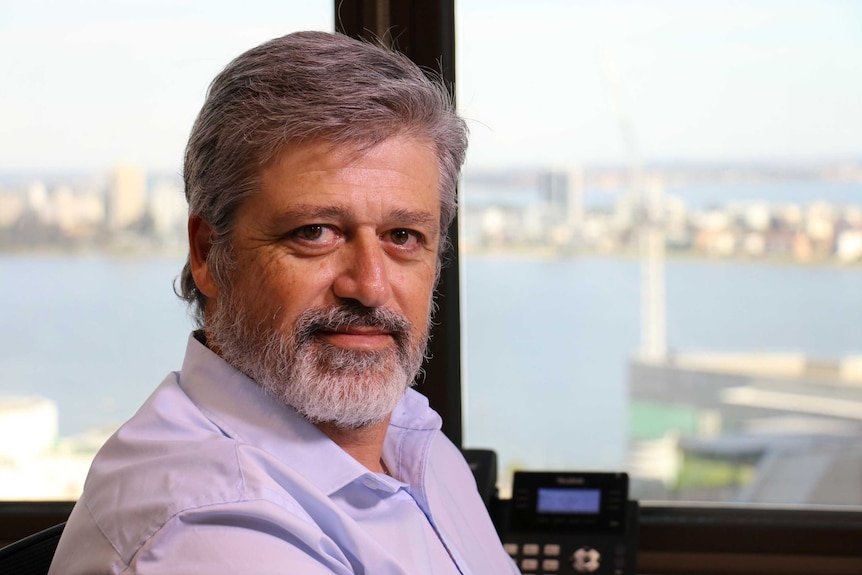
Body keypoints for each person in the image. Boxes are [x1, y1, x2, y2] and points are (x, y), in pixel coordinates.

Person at [48, 31, 519, 575]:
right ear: (208, 254)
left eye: (403, 237)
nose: (369, 286)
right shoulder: (213, 527)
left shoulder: (417, 445)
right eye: (314, 232)